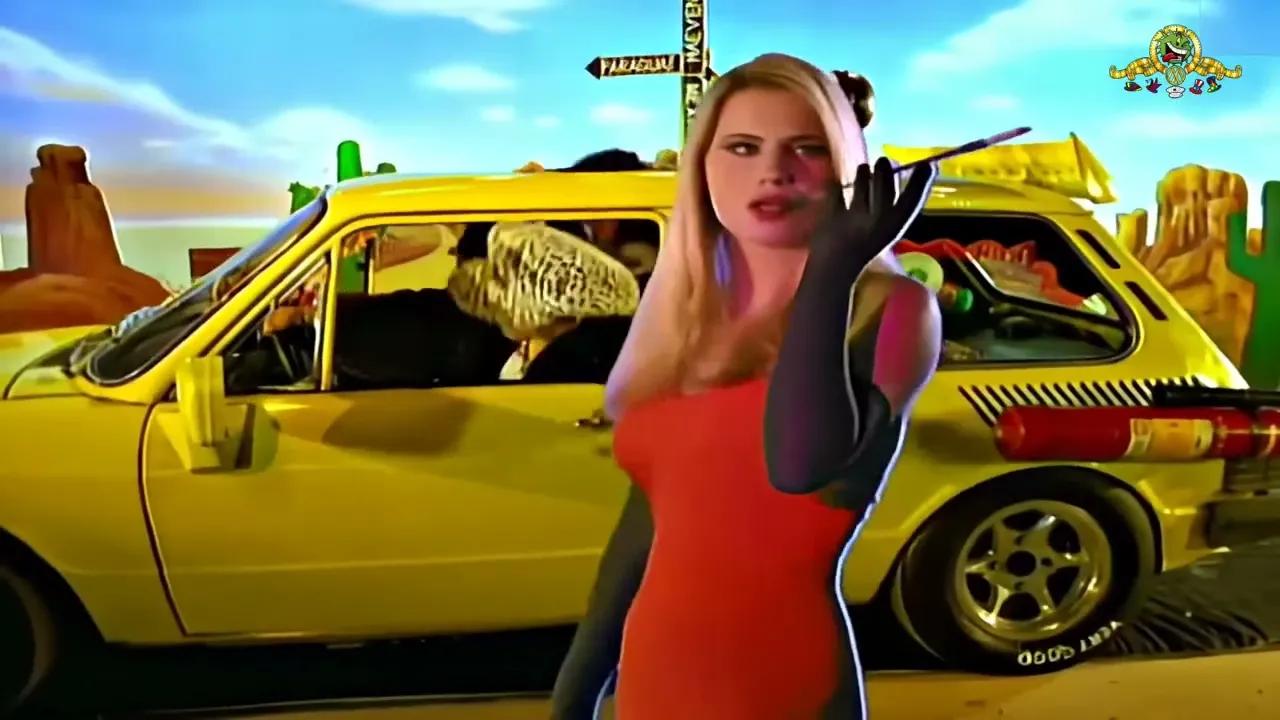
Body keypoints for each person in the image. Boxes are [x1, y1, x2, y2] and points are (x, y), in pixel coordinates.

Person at [548, 53, 941, 720]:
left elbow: (799, 468)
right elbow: (649, 531)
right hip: (654, 683)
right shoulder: (692, 313)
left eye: (806, 148)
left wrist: (832, 270)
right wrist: (574, 694)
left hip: (780, 685)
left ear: (845, 166)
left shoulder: (891, 309)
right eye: (742, 146)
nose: (773, 171)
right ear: (702, 167)